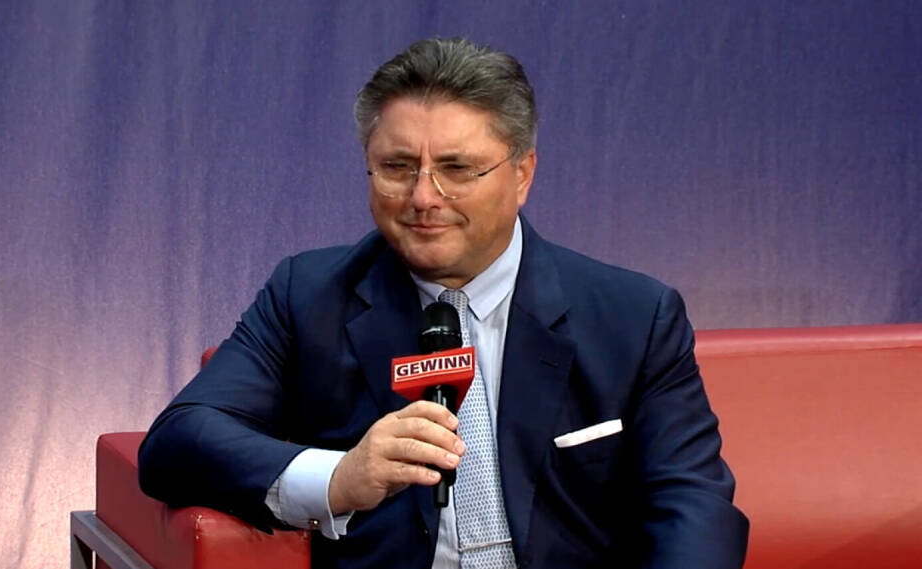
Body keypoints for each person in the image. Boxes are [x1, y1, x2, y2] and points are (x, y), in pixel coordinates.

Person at [138, 37, 749, 568]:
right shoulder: (309, 296)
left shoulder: (634, 316)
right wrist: (339, 478)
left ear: (522, 174)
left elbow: (693, 503)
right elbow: (178, 441)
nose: (423, 197)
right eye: (397, 166)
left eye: (457, 168)